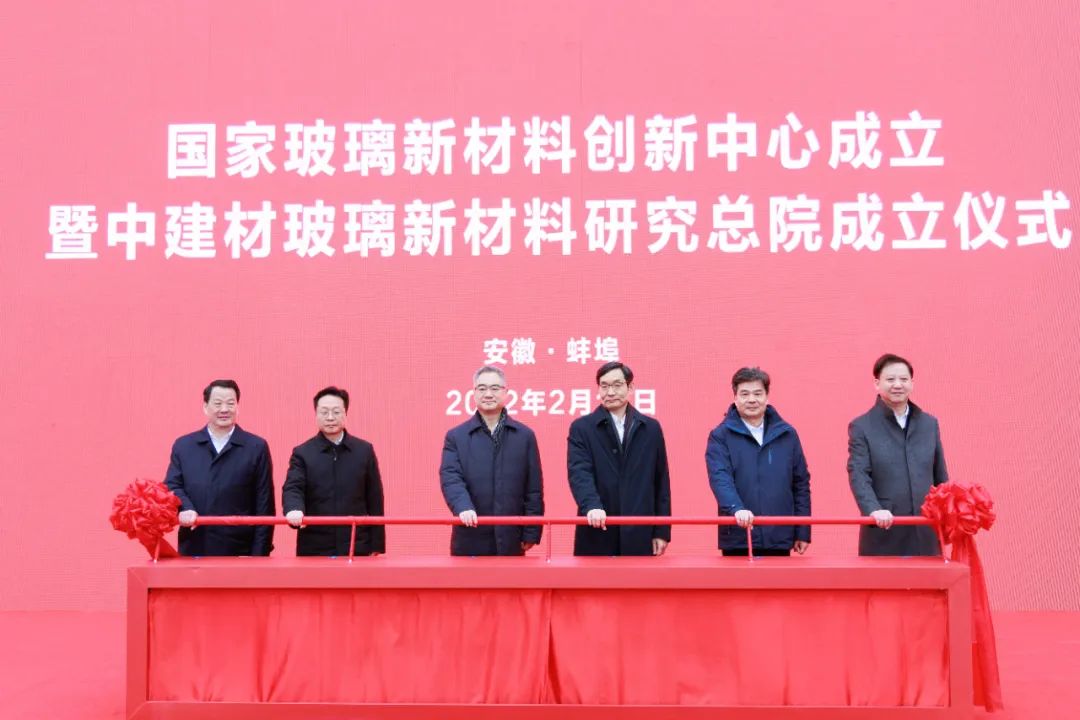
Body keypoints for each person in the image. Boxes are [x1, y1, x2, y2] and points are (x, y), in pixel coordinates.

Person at [848, 353, 949, 556]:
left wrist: (948, 512)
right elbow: (858, 474)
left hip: (926, 530)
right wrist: (873, 510)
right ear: (877, 383)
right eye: (890, 379)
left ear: (912, 383)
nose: (897, 385)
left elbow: (940, 476)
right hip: (884, 530)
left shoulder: (929, 424)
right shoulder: (862, 426)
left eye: (903, 379)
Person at [568, 361, 671, 556]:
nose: (610, 392)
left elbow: (661, 482)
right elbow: (579, 473)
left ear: (630, 387)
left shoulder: (651, 428)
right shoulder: (582, 428)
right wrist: (592, 507)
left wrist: (661, 531)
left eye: (617, 385)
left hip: (640, 530)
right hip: (598, 527)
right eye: (604, 386)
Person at [705, 367, 811, 556]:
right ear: (735, 397)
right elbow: (720, 478)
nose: (752, 399)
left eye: (757, 393)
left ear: (767, 396)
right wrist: (736, 509)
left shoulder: (787, 434)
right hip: (738, 535)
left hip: (780, 536)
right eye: (745, 394)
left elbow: (800, 483)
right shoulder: (720, 436)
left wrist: (803, 530)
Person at [440, 366, 544, 555]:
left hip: (511, 537)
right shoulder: (456, 436)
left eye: (495, 388)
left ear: (506, 393)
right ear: (474, 393)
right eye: (482, 388)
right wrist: (463, 508)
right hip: (470, 534)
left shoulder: (524, 436)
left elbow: (533, 488)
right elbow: (451, 478)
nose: (488, 394)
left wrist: (531, 531)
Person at [165, 379, 275, 556]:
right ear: (205, 407)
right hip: (195, 545)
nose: (224, 409)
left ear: (237, 407)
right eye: (217, 403)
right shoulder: (184, 446)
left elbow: (264, 504)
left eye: (230, 403)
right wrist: (186, 508)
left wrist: (259, 555)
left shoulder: (256, 447)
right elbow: (172, 485)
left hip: (240, 549)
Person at [282, 386, 385, 556]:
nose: (330, 418)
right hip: (315, 545)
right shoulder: (303, 453)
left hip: (356, 544)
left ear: (345, 414)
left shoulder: (364, 451)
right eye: (324, 412)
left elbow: (375, 499)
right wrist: (294, 509)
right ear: (316, 415)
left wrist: (377, 545)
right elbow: (293, 487)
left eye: (336, 412)